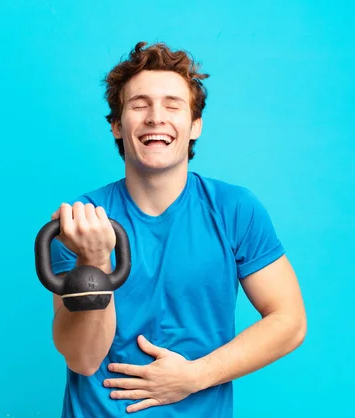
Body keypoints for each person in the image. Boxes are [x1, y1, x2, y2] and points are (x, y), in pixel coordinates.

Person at [46, 41, 307, 417]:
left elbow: (290, 320)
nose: (155, 117)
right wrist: (95, 260)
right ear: (117, 126)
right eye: (139, 105)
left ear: (195, 125)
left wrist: (195, 376)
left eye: (172, 105)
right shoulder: (82, 224)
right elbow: (83, 358)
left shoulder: (234, 209)